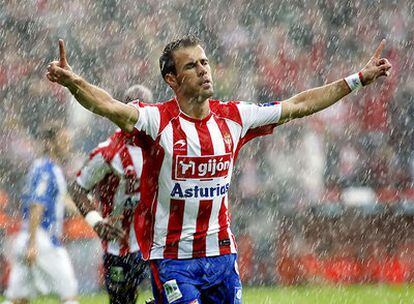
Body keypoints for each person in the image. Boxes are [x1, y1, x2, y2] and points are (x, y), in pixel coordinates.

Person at [46, 35, 391, 303]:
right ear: (172, 78)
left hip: (222, 255)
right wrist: (73, 81)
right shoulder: (157, 121)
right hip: (172, 259)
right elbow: (108, 105)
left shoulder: (235, 117)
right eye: (192, 66)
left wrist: (357, 79)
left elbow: (299, 104)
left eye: (205, 62)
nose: (203, 70)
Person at [69, 84, 153, 304]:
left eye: (144, 110)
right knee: (122, 301)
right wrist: (96, 221)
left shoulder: (163, 143)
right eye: (133, 110)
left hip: (156, 243)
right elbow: (77, 188)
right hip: (120, 246)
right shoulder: (109, 152)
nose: (138, 116)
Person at [2, 123, 79, 304]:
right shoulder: (46, 170)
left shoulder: (46, 167)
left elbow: (61, 200)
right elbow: (36, 205)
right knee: (69, 293)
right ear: (51, 144)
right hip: (43, 241)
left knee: (18, 299)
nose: (68, 146)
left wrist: (89, 214)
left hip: (29, 238)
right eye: (63, 141)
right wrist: (33, 242)